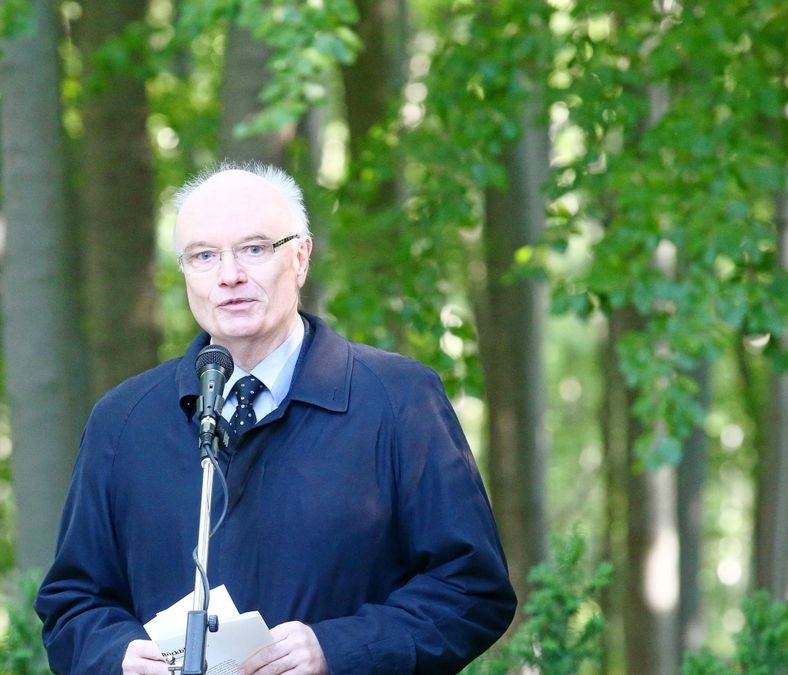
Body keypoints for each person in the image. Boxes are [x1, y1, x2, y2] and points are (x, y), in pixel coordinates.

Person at [36, 162, 516, 674]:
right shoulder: (124, 420)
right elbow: (72, 604)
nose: (229, 276)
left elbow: (471, 590)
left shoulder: (399, 401)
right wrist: (118, 658)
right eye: (204, 256)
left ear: (301, 257)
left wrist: (338, 651)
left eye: (254, 249)